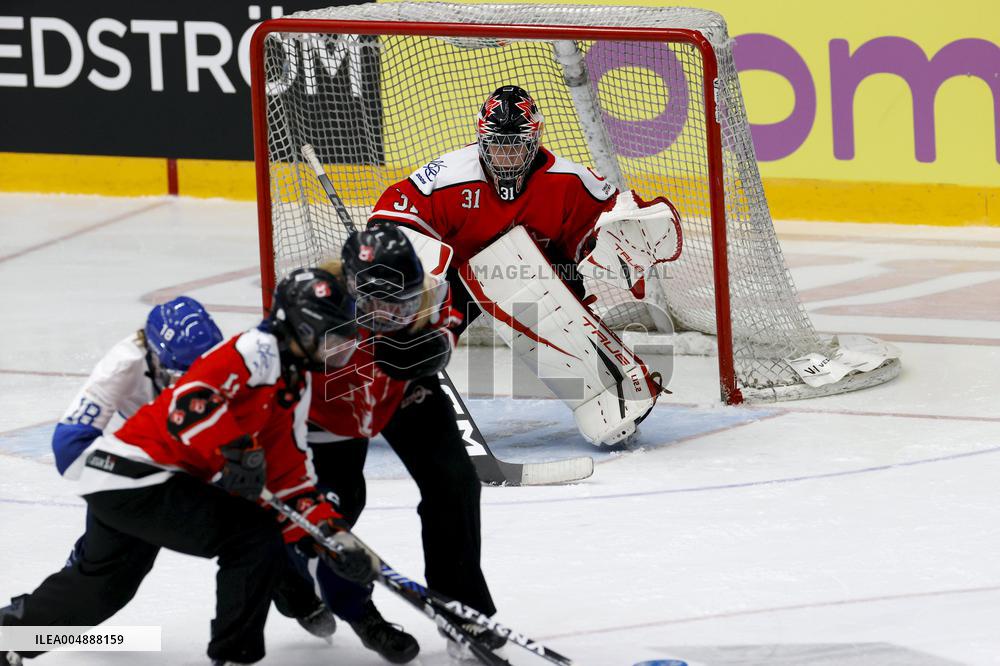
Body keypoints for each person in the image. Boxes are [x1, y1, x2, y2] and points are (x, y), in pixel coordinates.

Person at [0, 270, 377, 666]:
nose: (338, 346)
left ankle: (8, 635)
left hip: (165, 470)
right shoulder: (139, 364)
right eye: (330, 334)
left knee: (111, 588)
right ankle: (240, 649)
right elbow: (174, 414)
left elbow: (287, 472)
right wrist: (108, 504)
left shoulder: (283, 376)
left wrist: (330, 531)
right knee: (247, 536)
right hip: (139, 471)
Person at [368, 84, 678, 446]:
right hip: (460, 275)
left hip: (541, 273)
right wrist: (395, 253)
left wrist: (612, 243)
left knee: (551, 299)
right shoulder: (449, 173)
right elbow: (390, 213)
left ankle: (608, 393)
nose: (506, 156)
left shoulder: (570, 180)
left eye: (515, 146)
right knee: (415, 335)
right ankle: (372, 401)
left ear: (535, 139)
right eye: (497, 145)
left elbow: (603, 226)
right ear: (481, 139)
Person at [48, 296, 336, 642]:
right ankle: (18, 635)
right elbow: (70, 446)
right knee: (104, 586)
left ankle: (296, 597)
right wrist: (109, 499)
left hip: (201, 453)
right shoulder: (122, 364)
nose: (181, 384)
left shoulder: (229, 358)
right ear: (152, 357)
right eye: (174, 376)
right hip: (145, 468)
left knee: (254, 524)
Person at [304, 224, 500, 661]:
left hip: (402, 393)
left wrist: (439, 344)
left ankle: (463, 612)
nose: (394, 318)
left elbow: (454, 308)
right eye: (380, 309)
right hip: (331, 416)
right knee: (336, 509)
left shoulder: (428, 289)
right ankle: (325, 597)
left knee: (455, 481)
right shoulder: (313, 311)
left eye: (403, 306)